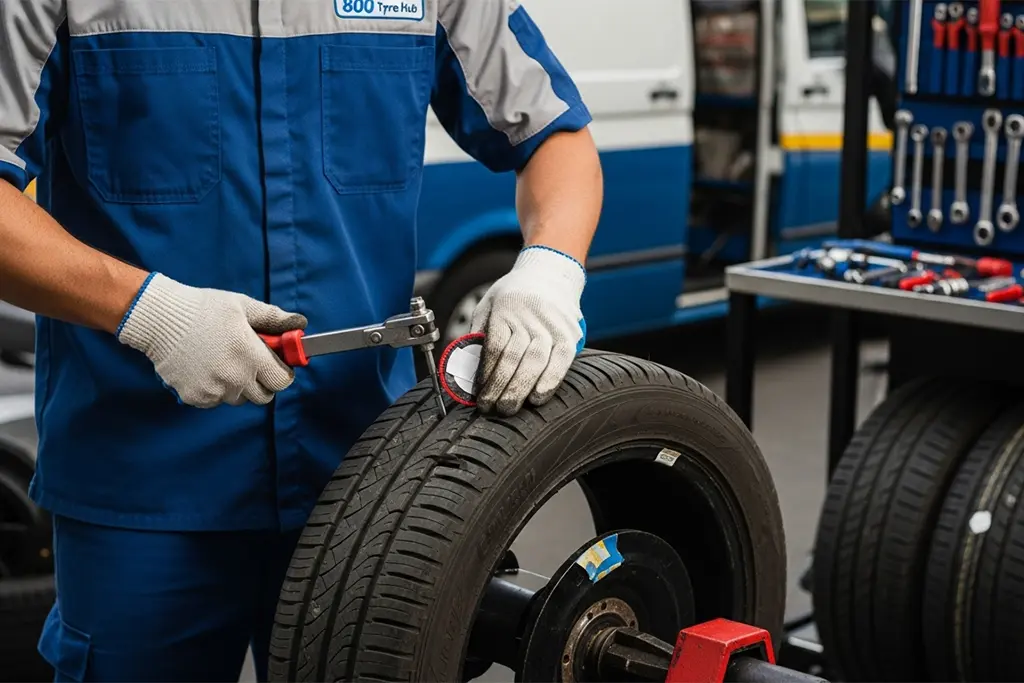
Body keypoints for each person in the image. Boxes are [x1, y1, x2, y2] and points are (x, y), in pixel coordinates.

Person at [0, 1, 602, 680]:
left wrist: (551, 267)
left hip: (364, 480)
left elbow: (556, 137)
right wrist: (149, 311)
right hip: (140, 484)